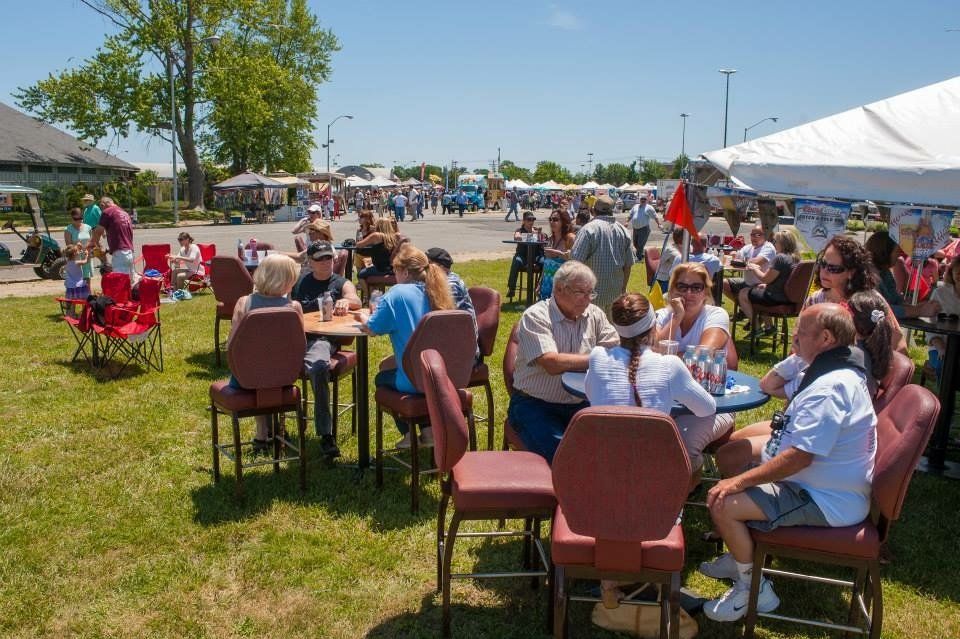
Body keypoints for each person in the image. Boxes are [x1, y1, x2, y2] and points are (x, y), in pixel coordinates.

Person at [699, 304, 876, 623]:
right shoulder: (833, 370)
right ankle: (740, 553)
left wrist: (741, 482)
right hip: (818, 483)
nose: (793, 337)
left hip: (824, 499)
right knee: (734, 462)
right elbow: (775, 393)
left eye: (801, 333)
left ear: (825, 338)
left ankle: (753, 588)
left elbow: (800, 457)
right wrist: (800, 353)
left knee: (723, 502)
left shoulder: (830, 388)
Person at [585, 292, 716, 608]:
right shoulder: (669, 365)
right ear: (652, 329)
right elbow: (707, 408)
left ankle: (618, 567)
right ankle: (663, 531)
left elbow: (593, 399)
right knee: (693, 465)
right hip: (655, 480)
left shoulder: (597, 358)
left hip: (601, 473)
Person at [507, 261, 619, 463]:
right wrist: (597, 358)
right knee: (565, 457)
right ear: (559, 289)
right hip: (535, 404)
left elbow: (615, 350)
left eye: (591, 293)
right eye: (580, 292)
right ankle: (563, 493)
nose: (587, 299)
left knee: (611, 448)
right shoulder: (536, 316)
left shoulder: (594, 314)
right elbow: (552, 363)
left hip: (582, 403)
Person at [361, 244, 456, 448]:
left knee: (381, 379)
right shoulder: (439, 293)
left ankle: (409, 434)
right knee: (388, 367)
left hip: (413, 379)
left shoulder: (397, 294)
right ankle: (428, 432)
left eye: (394, 271)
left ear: (404, 271)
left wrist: (363, 315)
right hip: (442, 375)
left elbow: (372, 328)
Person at [654, 263, 735, 471]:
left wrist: (669, 356)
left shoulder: (716, 315)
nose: (688, 293)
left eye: (696, 287)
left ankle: (678, 494)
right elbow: (650, 353)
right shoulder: (663, 316)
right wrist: (677, 317)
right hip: (665, 402)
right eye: (682, 286)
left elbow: (702, 353)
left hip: (711, 406)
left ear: (706, 291)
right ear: (672, 290)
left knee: (682, 446)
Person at [291, 240, 362, 457]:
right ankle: (268, 429)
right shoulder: (299, 283)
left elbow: (355, 298)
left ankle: (325, 434)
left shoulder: (339, 282)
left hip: (320, 340)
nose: (326, 262)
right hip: (293, 338)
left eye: (329, 257)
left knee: (319, 365)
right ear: (310, 262)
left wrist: (346, 302)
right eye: (320, 258)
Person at [228, 254, 303, 453]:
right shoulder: (293, 308)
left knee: (258, 368)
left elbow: (232, 345)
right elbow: (298, 347)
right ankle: (278, 429)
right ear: (287, 280)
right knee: (270, 370)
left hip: (246, 378)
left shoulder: (244, 303)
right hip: (283, 378)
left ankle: (262, 435)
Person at [804, 235, 907, 353]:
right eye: (822, 263)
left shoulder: (870, 301)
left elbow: (899, 344)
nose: (824, 271)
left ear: (851, 272)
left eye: (833, 268)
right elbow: (799, 338)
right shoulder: (815, 300)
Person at [570, 195, 634, 316]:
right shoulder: (623, 231)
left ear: (593, 211)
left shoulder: (588, 229)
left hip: (591, 294)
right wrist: (623, 289)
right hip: (615, 293)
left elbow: (575, 261)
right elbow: (628, 265)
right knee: (611, 331)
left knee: (590, 330)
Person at [737, 229, 800, 335]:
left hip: (775, 298)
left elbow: (765, 278)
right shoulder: (796, 259)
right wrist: (766, 284)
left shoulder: (780, 258)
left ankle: (756, 328)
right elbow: (784, 279)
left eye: (775, 242)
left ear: (782, 243)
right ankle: (769, 326)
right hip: (790, 298)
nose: (773, 244)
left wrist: (754, 268)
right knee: (758, 288)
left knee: (743, 293)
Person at [864, 230, 939, 318]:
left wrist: (921, 306)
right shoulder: (867, 275)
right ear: (885, 252)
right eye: (897, 251)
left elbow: (895, 299)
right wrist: (918, 311)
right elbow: (878, 310)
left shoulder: (885, 272)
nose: (899, 255)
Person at [426, 247, 478, 348]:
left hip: (463, 350)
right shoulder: (441, 280)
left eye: (427, 265)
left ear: (440, 267)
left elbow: (447, 320)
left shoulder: (450, 285)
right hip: (452, 341)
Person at [722, 224, 776, 305]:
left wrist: (739, 260)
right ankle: (742, 307)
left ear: (766, 236)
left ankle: (746, 308)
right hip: (746, 282)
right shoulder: (748, 247)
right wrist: (733, 254)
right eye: (752, 235)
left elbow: (756, 262)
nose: (753, 237)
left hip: (760, 284)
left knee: (743, 291)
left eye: (757, 235)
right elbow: (736, 257)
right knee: (723, 283)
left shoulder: (768, 247)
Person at [87, 196, 135, 276]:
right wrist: (109, 249)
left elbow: (98, 231)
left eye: (101, 208)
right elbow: (123, 236)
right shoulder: (124, 213)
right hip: (129, 252)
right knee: (130, 282)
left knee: (120, 281)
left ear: (102, 205)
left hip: (120, 255)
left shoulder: (107, 212)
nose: (102, 211)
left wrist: (91, 244)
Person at [356, 217, 401, 299]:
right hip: (392, 269)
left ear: (379, 225)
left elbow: (359, 245)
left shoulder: (376, 236)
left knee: (360, 274)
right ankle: (376, 293)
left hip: (380, 269)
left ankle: (369, 296)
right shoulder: (394, 236)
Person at [506, 212, 544, 300]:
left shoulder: (537, 230)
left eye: (533, 219)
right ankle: (512, 288)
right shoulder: (519, 230)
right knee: (516, 261)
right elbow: (517, 237)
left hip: (536, 256)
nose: (531, 222)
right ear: (524, 221)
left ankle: (539, 288)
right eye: (529, 219)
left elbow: (544, 241)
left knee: (544, 262)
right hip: (523, 256)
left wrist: (539, 234)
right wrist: (530, 235)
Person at [540, 209, 576, 299]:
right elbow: (546, 265)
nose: (552, 222)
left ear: (563, 222)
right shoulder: (550, 239)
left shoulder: (570, 238)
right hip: (547, 285)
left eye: (555, 219)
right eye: (550, 219)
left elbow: (576, 261)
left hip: (562, 286)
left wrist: (559, 254)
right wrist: (540, 283)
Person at [626, 195, 662, 260]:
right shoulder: (635, 206)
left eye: (644, 199)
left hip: (644, 229)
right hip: (635, 229)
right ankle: (641, 254)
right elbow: (630, 215)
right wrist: (627, 222)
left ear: (647, 200)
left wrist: (659, 224)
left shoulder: (649, 208)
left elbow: (655, 216)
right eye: (642, 199)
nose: (643, 200)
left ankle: (638, 257)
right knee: (635, 243)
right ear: (640, 200)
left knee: (640, 244)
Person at [64, 207, 93, 282]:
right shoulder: (68, 229)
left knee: (87, 277)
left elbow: (91, 242)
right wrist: (76, 246)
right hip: (75, 257)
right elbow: (68, 246)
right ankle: (79, 293)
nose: (79, 221)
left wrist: (89, 250)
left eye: (80, 218)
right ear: (72, 218)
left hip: (86, 255)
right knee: (77, 279)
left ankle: (88, 293)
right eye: (76, 219)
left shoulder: (88, 227)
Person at [654, 227, 686, 292]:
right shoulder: (670, 249)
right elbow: (660, 262)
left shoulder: (687, 247)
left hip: (679, 278)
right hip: (665, 279)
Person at [62, 244, 91, 316]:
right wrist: (87, 255)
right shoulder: (77, 262)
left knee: (71, 302)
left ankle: (71, 314)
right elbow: (86, 261)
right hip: (79, 285)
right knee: (84, 300)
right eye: (77, 251)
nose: (79, 251)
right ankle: (85, 314)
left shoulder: (67, 263)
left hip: (70, 286)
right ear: (75, 253)